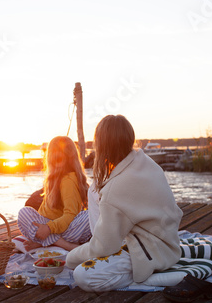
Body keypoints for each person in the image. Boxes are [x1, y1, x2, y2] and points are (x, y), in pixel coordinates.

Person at [66, 115, 183, 291]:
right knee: (94, 190)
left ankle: (150, 281)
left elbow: (105, 247)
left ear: (102, 145)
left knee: (83, 275)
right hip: (167, 242)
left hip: (148, 254)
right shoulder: (145, 161)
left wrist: (70, 257)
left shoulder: (116, 189)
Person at [17, 136, 91, 251]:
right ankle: (53, 242)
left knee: (89, 215)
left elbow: (70, 215)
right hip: (50, 229)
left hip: (66, 230)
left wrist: (48, 228)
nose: (57, 160)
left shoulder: (68, 180)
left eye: (60, 157)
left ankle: (61, 244)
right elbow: (44, 211)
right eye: (55, 157)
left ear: (69, 157)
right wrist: (42, 228)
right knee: (24, 212)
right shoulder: (53, 179)